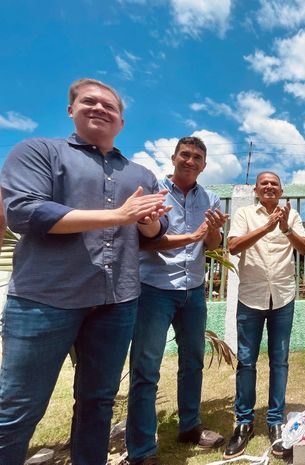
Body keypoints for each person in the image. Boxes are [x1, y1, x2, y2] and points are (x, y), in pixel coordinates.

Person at [0, 78, 169, 465]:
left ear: (122, 122)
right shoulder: (39, 152)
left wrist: (147, 222)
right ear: (71, 110)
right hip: (44, 300)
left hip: (116, 303)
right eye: (89, 102)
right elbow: (25, 212)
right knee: (19, 407)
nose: (99, 109)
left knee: (98, 402)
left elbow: (153, 234)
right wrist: (118, 215)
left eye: (109, 106)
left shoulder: (140, 175)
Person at [124, 136, 230, 465]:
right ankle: (141, 450)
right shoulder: (153, 190)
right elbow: (144, 243)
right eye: (185, 154)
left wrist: (212, 230)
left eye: (197, 157)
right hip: (154, 289)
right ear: (173, 157)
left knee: (193, 363)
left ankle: (190, 427)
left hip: (193, 291)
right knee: (146, 368)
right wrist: (194, 235)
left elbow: (212, 247)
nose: (191, 160)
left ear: (204, 164)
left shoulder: (211, 198)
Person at [223, 171, 305, 459]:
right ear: (257, 190)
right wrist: (267, 226)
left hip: (283, 296)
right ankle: (244, 423)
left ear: (281, 190)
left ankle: (275, 422)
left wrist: (284, 227)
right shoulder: (245, 213)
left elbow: (304, 248)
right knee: (246, 361)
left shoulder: (291, 216)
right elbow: (233, 246)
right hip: (250, 297)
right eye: (264, 184)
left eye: (274, 184)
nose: (269, 187)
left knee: (279, 361)